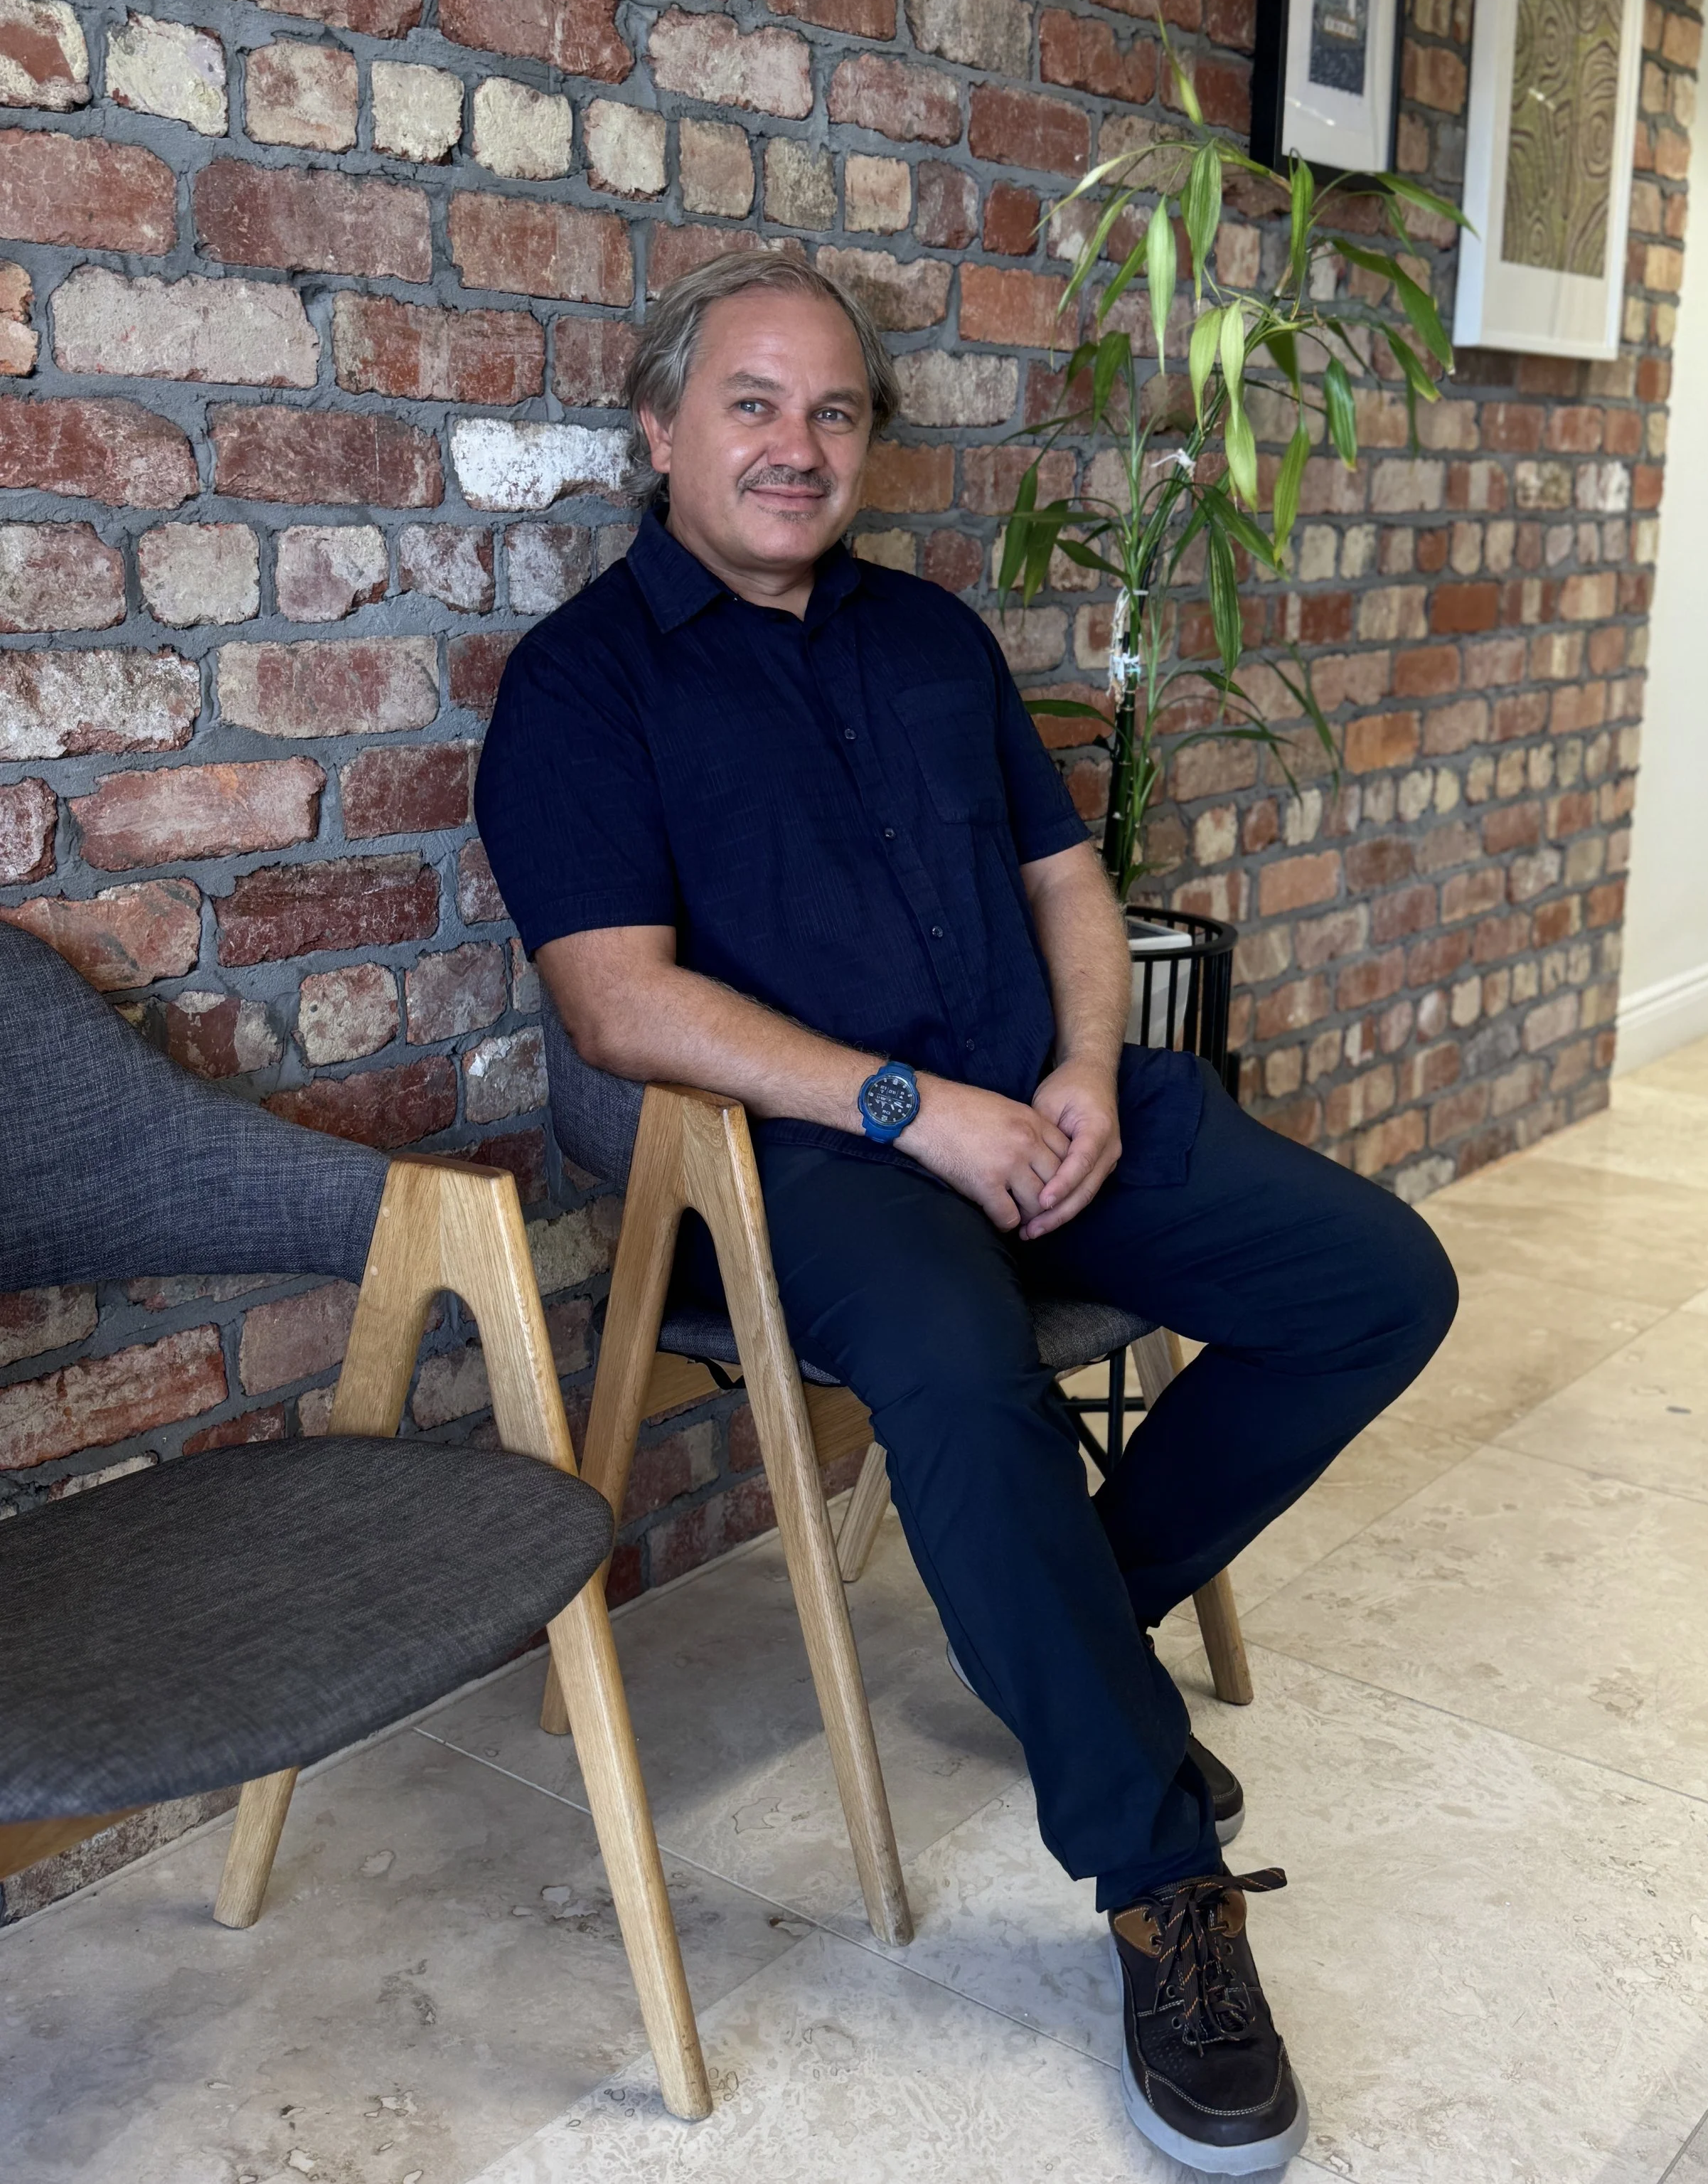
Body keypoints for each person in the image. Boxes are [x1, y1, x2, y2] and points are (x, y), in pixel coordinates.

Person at [476, 252, 1458, 2173]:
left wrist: (1084, 1077)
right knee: (955, 1364)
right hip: (812, 1166)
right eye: (750, 402)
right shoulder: (583, 686)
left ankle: (1062, 1625)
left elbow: (1071, 888)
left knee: (1375, 1284)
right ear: (659, 431)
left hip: (1046, 1110)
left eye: (833, 410)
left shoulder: (929, 639)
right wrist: (922, 1111)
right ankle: (1159, 1883)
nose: (796, 443)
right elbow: (618, 1002)